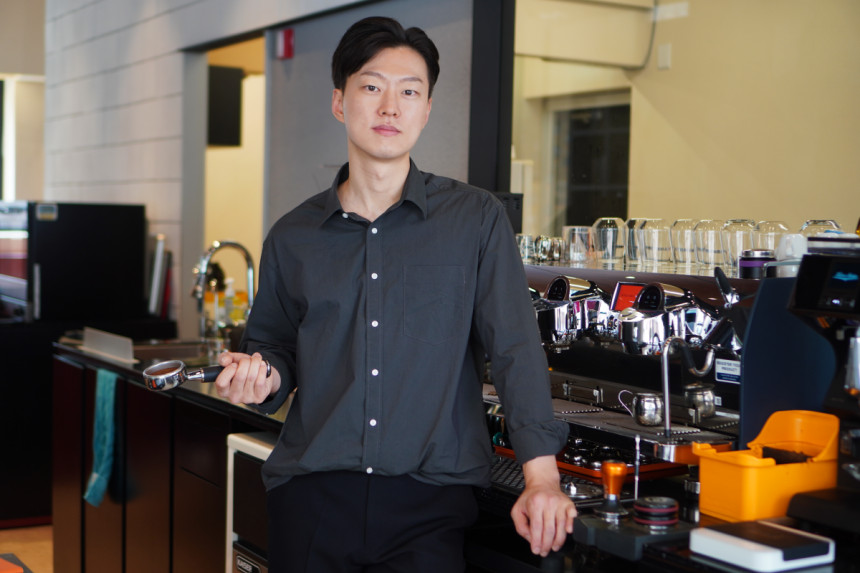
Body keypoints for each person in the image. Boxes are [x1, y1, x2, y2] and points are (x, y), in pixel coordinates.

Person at [214, 15, 576, 572]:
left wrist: (542, 478)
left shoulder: (475, 220)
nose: (390, 108)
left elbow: (515, 349)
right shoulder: (293, 235)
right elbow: (274, 349)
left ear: (426, 109)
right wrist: (261, 376)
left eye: (409, 92)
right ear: (340, 102)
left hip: (430, 505)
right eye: (371, 87)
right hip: (312, 497)